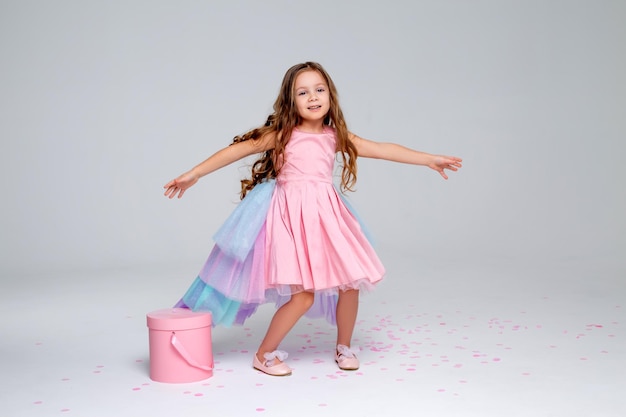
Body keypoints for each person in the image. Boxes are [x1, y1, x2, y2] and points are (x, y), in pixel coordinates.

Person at [163, 62, 462, 376]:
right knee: (303, 295)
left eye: (319, 90)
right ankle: (264, 355)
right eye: (302, 92)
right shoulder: (282, 134)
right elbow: (236, 151)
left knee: (350, 283)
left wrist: (429, 159)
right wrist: (193, 174)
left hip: (326, 219)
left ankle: (344, 347)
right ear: (291, 101)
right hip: (290, 220)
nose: (313, 97)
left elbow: (383, 149)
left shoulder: (335, 137)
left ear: (330, 95)